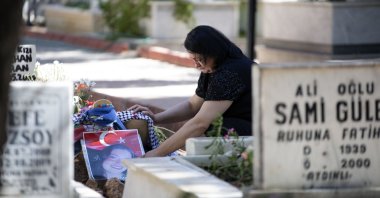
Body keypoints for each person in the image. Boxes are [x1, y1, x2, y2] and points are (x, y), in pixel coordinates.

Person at [128, 25, 254, 157]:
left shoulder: (230, 72)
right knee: (190, 135)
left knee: (195, 134)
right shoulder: (212, 67)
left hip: (256, 132)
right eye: (194, 59)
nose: (196, 65)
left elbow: (200, 124)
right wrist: (155, 118)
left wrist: (155, 154)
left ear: (213, 52)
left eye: (199, 59)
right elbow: (192, 106)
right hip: (238, 125)